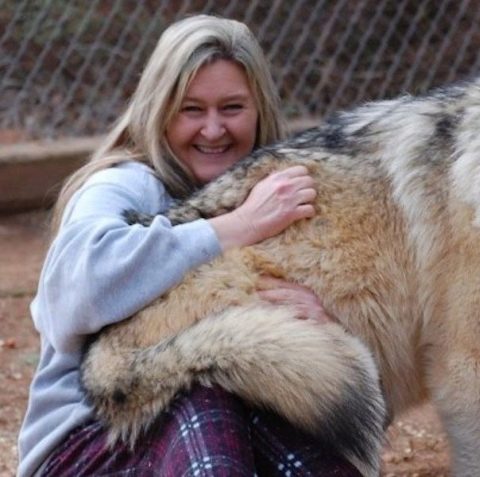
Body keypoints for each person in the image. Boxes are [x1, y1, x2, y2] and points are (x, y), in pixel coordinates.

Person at [17, 14, 361, 477]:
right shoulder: (125, 185)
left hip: (228, 435)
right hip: (91, 443)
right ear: (159, 111)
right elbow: (75, 295)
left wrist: (324, 323)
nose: (213, 130)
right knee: (203, 380)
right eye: (192, 110)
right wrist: (234, 227)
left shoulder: (282, 194)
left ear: (260, 109)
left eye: (232, 108)